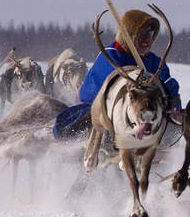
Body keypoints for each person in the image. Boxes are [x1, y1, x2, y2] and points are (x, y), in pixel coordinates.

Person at [53, 9, 181, 139]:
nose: (147, 38)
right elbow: (116, 86)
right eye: (142, 33)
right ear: (130, 34)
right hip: (98, 106)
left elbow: (168, 82)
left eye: (150, 33)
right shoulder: (111, 55)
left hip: (141, 110)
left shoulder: (152, 61)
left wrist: (175, 107)